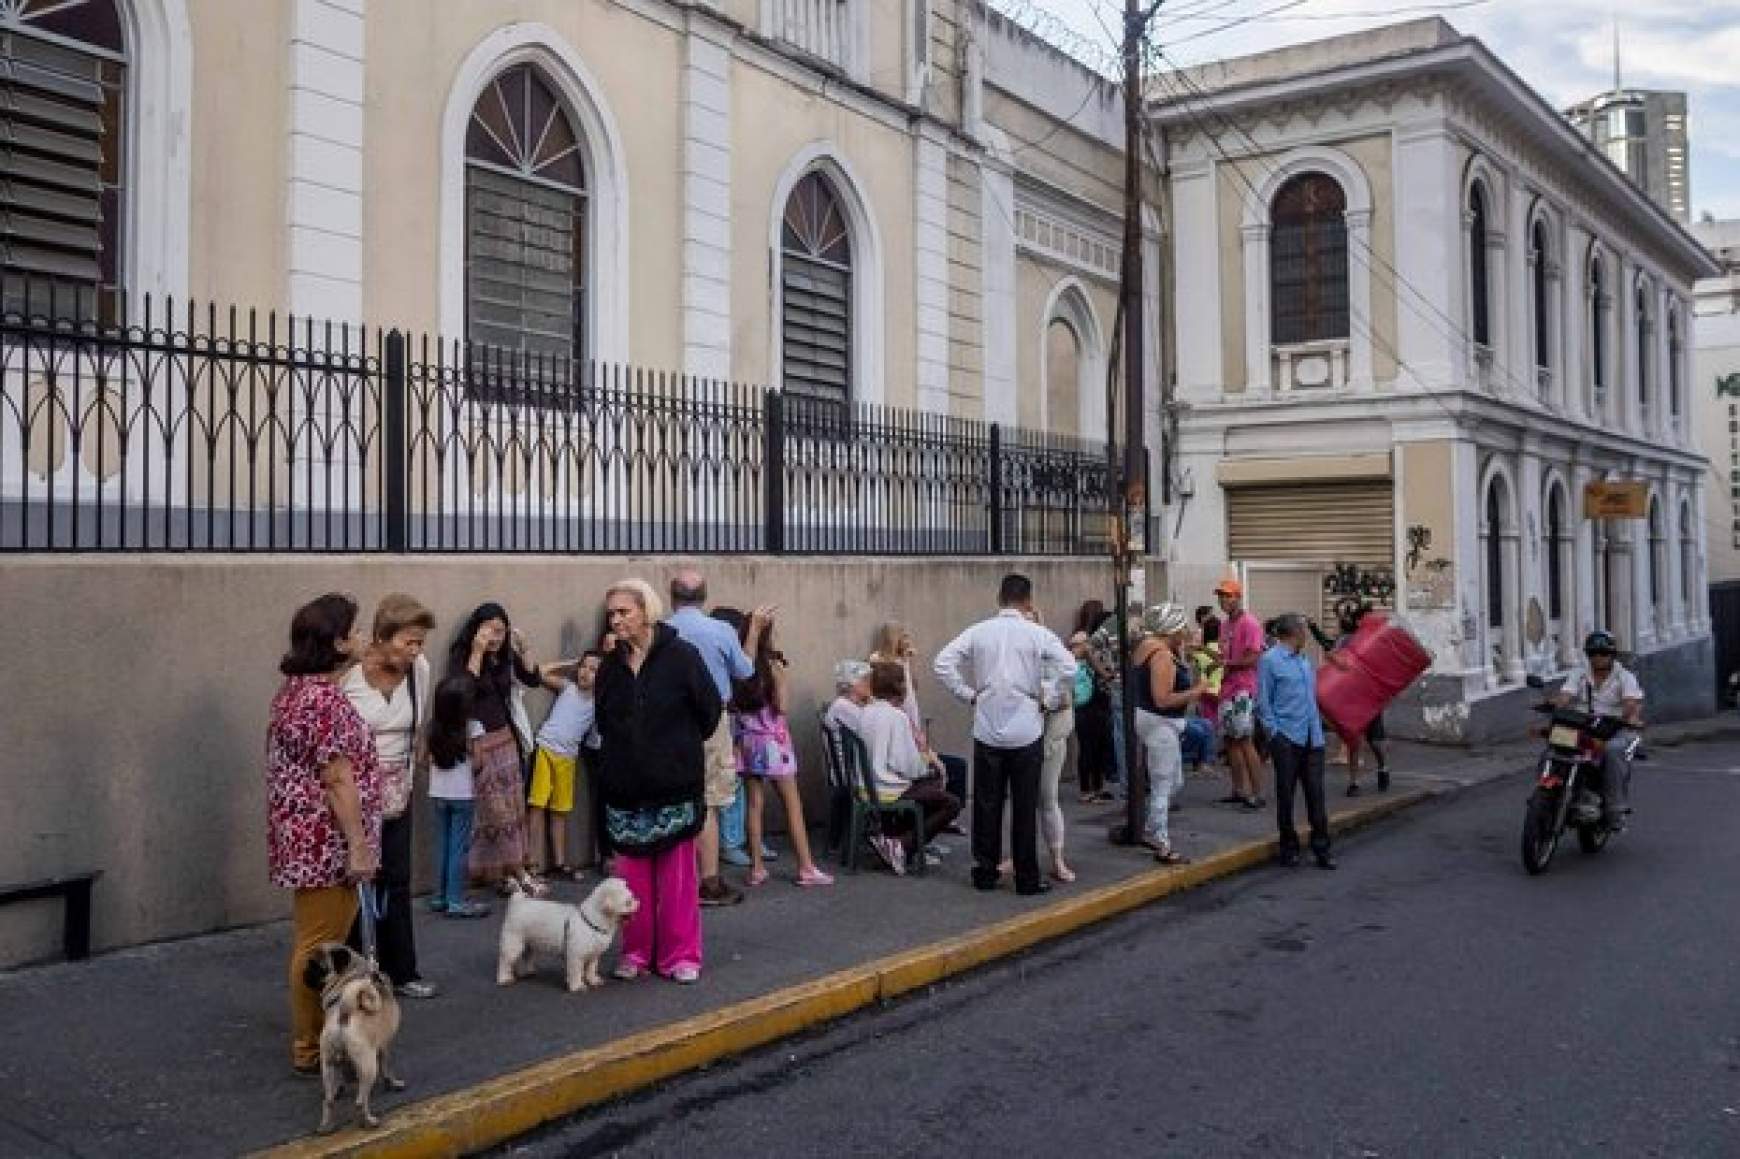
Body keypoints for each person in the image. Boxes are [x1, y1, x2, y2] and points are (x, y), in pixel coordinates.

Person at [265, 593, 381, 1076]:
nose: (362, 638)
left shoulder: (297, 690)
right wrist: (358, 844)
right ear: (337, 641)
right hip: (326, 840)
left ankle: (312, 1042)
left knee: (317, 938)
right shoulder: (321, 701)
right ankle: (311, 1047)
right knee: (320, 944)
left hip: (305, 835)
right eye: (355, 631)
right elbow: (337, 778)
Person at [595, 579, 722, 984]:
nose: (616, 620)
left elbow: (709, 711)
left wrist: (675, 750)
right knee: (632, 880)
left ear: (645, 611)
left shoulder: (682, 656)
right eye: (611, 614)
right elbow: (603, 720)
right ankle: (635, 952)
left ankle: (680, 955)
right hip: (624, 789)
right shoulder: (610, 666)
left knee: (677, 879)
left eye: (623, 612)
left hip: (673, 786)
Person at [935, 573, 1078, 896]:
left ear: (999, 598)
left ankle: (985, 871)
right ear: (1028, 601)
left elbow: (943, 663)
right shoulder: (1037, 634)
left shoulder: (978, 632)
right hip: (1026, 726)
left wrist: (967, 693)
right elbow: (1069, 668)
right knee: (1024, 805)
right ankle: (1027, 877)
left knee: (987, 803)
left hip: (986, 724)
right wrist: (1050, 697)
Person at [339, 593, 437, 999]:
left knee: (396, 878)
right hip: (354, 789)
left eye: (419, 643)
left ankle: (401, 970)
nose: (415, 652)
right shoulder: (350, 677)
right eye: (407, 642)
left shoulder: (420, 671)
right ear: (381, 636)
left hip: (397, 787)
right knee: (355, 881)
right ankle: (352, 973)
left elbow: (418, 727)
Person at [666, 571, 768, 907]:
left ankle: (675, 879)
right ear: (704, 596)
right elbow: (745, 671)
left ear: (672, 596)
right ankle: (707, 879)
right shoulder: (721, 631)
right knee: (707, 800)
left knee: (673, 798)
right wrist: (752, 632)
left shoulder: (663, 631)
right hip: (711, 721)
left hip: (669, 723)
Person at [447, 603, 555, 898]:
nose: (495, 636)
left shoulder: (504, 657)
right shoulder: (464, 656)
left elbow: (532, 679)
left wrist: (525, 648)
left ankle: (508, 873)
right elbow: (463, 692)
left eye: (500, 630)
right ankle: (518, 872)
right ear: (476, 629)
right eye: (489, 630)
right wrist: (477, 652)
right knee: (496, 812)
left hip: (506, 740)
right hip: (481, 742)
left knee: (513, 810)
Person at [732, 615, 834, 888]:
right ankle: (806, 866)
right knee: (792, 803)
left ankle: (756, 867)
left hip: (746, 740)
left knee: (754, 804)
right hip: (773, 742)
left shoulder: (739, 668)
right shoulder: (773, 667)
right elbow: (783, 706)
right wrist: (783, 680)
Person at [858, 662, 964, 870]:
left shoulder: (866, 712)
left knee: (928, 786)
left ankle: (896, 838)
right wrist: (927, 765)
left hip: (866, 785)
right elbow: (905, 764)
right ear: (899, 688)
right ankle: (904, 845)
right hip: (887, 788)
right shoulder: (896, 717)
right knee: (951, 802)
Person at [1259, 614, 1335, 870]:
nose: (1307, 635)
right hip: (1287, 738)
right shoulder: (1270, 661)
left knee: (1316, 795)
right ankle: (1288, 848)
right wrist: (1274, 734)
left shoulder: (1304, 660)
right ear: (1294, 633)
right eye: (1304, 630)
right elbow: (1264, 701)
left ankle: (1322, 848)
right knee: (1286, 796)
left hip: (1312, 737)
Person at [871, 621, 968, 811]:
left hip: (909, 729)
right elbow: (905, 763)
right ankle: (914, 833)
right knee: (944, 772)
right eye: (903, 636)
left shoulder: (902, 663)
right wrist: (926, 763)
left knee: (949, 766)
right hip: (893, 776)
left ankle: (942, 814)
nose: (907, 640)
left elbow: (911, 688)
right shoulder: (879, 662)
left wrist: (908, 662)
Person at [1552, 629, 1644, 829]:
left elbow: (1631, 702)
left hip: (1614, 728)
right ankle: (1549, 793)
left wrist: (1628, 715)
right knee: (1554, 746)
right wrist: (1556, 705)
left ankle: (1615, 810)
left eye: (1603, 653)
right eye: (1593, 653)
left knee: (1613, 751)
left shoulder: (1624, 677)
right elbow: (1566, 694)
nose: (1598, 658)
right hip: (1583, 725)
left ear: (1612, 655)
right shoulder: (1579, 673)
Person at [1131, 603, 1199, 865]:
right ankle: (1162, 843)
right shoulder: (1161, 655)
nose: (1186, 632)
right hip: (1161, 722)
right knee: (1164, 784)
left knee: (1173, 781)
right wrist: (1196, 691)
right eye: (1182, 627)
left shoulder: (1146, 647)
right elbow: (1162, 698)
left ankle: (1151, 827)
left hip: (1150, 720)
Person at [527, 651, 602, 880]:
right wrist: (568, 663)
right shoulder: (567, 688)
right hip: (546, 749)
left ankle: (558, 863)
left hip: (568, 758)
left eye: (593, 670)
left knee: (560, 811)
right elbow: (538, 671)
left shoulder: (598, 702)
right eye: (583, 667)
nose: (585, 673)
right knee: (537, 807)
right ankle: (531, 862)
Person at [425, 674, 491, 919]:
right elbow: (479, 762)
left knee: (442, 845)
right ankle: (455, 900)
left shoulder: (432, 727)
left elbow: (424, 760)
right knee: (458, 848)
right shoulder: (473, 727)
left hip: (437, 792)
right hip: (462, 794)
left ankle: (439, 896)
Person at [1311, 608, 1392, 796]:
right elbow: (1332, 655)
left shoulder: (1377, 640)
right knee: (1353, 740)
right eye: (1367, 619)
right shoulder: (1346, 640)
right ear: (1359, 622)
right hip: (1350, 696)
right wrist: (1334, 660)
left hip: (1370, 697)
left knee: (1375, 742)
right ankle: (1354, 783)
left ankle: (1383, 768)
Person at [1216, 578, 1267, 812]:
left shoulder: (1250, 624)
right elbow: (1223, 655)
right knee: (1230, 741)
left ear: (1238, 597)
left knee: (1245, 741)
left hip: (1243, 690)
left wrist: (1227, 663)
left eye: (1228, 596)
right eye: (1221, 596)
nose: (1224, 600)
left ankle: (1257, 793)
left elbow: (1253, 658)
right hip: (1226, 688)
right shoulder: (1224, 625)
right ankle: (1239, 790)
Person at [1071, 602, 1115, 804]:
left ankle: (1096, 788)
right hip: (1088, 702)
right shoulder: (1083, 643)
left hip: (1098, 702)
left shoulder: (1096, 645)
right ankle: (1087, 789)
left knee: (1098, 746)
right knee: (1089, 747)